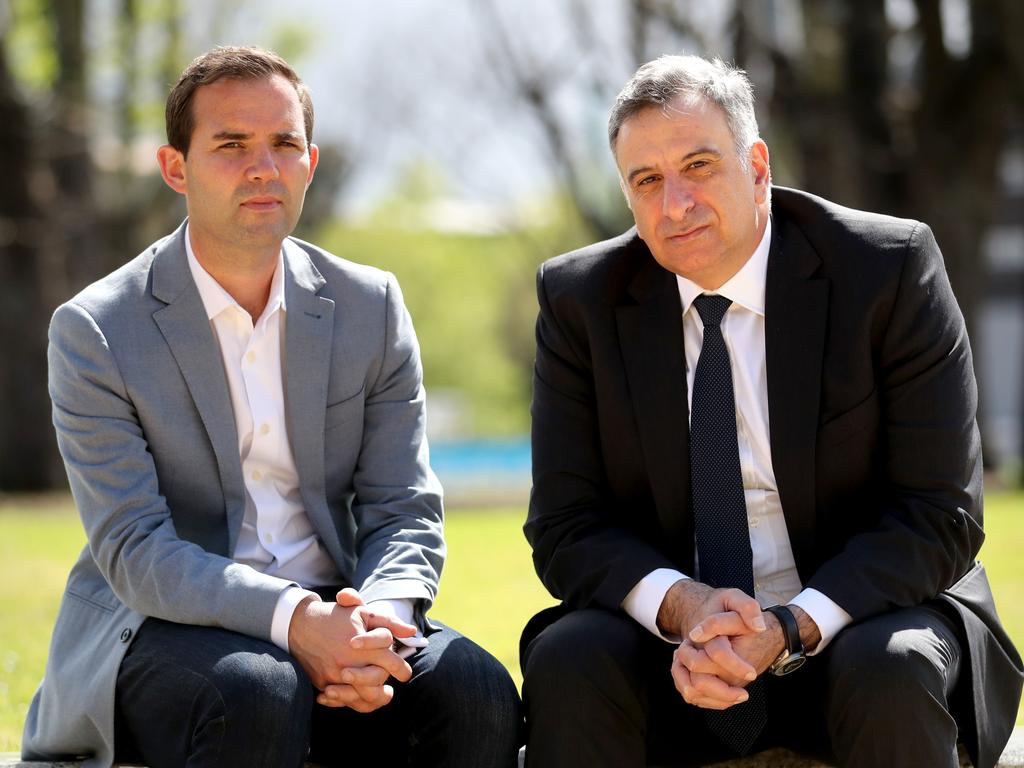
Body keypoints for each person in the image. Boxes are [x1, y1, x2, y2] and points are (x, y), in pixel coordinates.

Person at [23, 45, 520, 768]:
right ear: (175, 169)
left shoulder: (368, 306)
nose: (264, 167)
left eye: (284, 144)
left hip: (346, 604)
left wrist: (377, 621)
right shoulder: (97, 330)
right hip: (164, 621)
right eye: (231, 145)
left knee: (474, 688)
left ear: (309, 163)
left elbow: (403, 505)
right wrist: (296, 622)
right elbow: (134, 549)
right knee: (257, 689)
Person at [521, 54, 1022, 768]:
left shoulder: (886, 269)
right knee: (570, 658)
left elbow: (940, 511)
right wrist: (688, 609)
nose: (675, 204)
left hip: (862, 613)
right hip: (680, 645)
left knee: (893, 665)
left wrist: (790, 626)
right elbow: (567, 525)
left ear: (756, 165)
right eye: (647, 181)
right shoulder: (580, 302)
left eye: (698, 166)